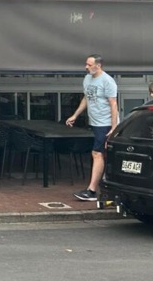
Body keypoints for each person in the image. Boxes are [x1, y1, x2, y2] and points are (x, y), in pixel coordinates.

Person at [66, 54, 118, 202]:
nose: (86, 67)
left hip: (105, 123)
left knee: (97, 153)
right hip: (94, 122)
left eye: (89, 65)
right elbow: (86, 98)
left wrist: (113, 127)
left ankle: (92, 190)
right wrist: (75, 115)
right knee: (102, 154)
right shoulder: (88, 78)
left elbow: (113, 104)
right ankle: (105, 188)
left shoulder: (108, 81)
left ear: (98, 65)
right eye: (86, 64)